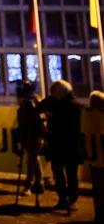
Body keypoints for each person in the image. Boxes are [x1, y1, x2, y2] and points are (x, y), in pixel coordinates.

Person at [39, 79, 83, 211]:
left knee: (71, 174)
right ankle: (63, 198)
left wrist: (52, 117)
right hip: (57, 144)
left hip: (69, 145)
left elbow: (71, 126)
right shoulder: (55, 102)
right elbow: (40, 108)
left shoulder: (73, 105)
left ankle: (71, 199)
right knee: (58, 173)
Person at [15, 80, 45, 196]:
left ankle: (31, 185)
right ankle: (37, 184)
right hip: (28, 137)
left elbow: (38, 122)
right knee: (33, 160)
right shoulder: (22, 110)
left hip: (34, 137)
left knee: (32, 160)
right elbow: (22, 124)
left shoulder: (32, 108)